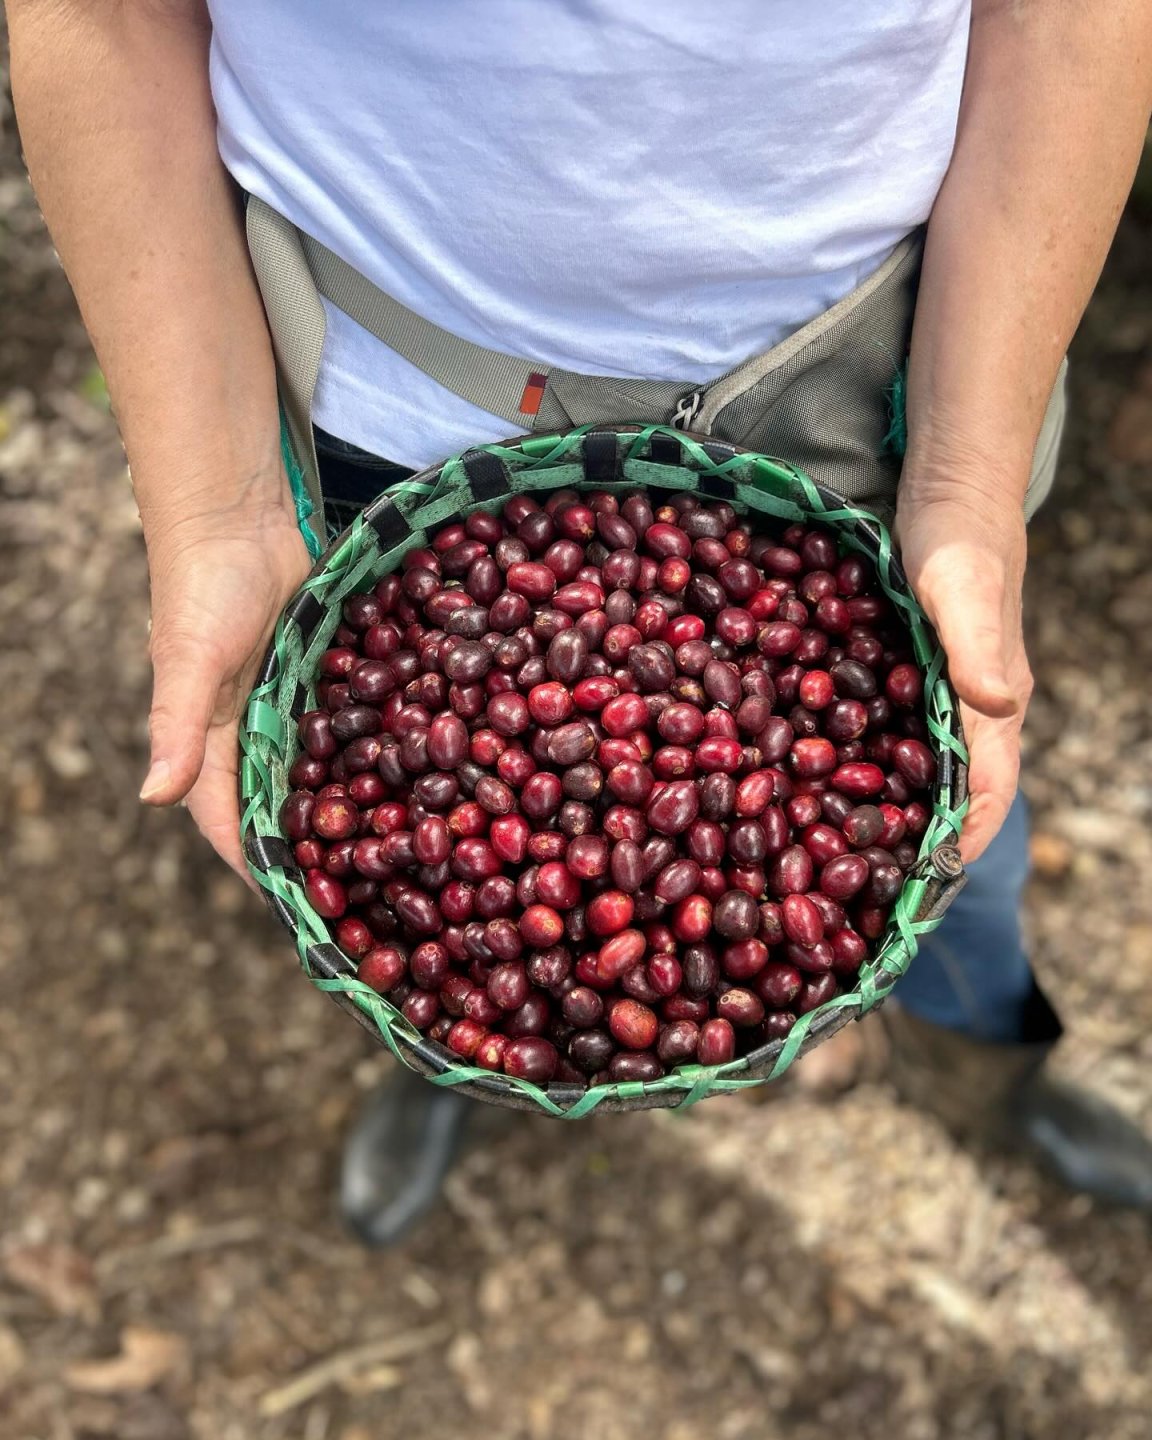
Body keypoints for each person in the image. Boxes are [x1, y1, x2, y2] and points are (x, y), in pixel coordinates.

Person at [11, 0, 1152, 1244]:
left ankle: (994, 1080)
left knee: (953, 850)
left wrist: (967, 492)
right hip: (388, 410)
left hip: (873, 388)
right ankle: (460, 1051)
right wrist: (221, 509)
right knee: (431, 885)